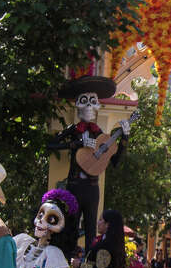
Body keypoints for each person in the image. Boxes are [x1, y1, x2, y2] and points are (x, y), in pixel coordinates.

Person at [46, 75, 131, 247]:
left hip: (92, 188)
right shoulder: (74, 130)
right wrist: (77, 144)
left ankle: (89, 260)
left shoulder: (100, 135)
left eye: (93, 101)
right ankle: (67, 258)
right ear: (78, 105)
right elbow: (51, 145)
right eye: (85, 101)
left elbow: (114, 162)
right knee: (71, 224)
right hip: (74, 185)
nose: (89, 106)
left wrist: (124, 138)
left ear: (98, 105)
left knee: (92, 225)